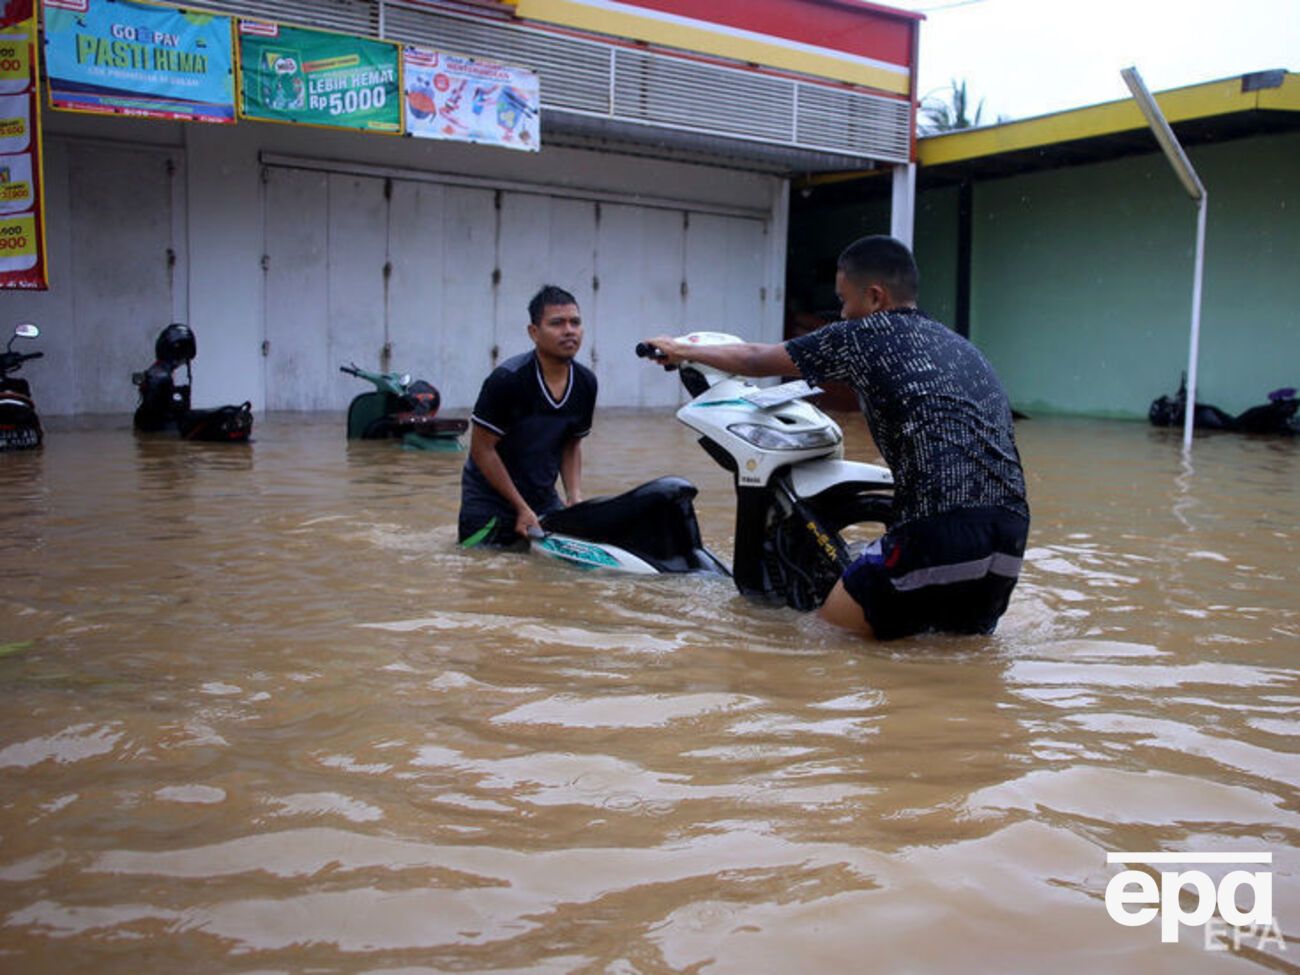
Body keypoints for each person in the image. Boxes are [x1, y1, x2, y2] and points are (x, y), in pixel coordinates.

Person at [641, 235, 1029, 640]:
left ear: (875, 297)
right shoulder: (963, 348)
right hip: (1009, 535)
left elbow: (756, 358)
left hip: (938, 528)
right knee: (952, 654)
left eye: (844, 301)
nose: (841, 314)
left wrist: (682, 349)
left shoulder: (865, 335)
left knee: (821, 641)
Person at [458, 285, 597, 547]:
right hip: (489, 505)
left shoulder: (586, 383)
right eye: (557, 323)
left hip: (543, 499)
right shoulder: (507, 380)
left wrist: (574, 496)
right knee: (481, 575)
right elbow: (481, 450)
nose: (569, 330)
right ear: (534, 332)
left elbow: (572, 442)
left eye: (575, 322)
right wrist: (520, 507)